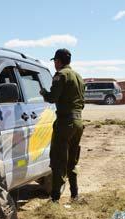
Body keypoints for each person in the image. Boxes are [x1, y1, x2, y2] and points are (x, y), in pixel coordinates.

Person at [40, 49, 85, 202]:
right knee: (72, 160)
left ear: (58, 61)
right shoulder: (78, 77)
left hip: (65, 122)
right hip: (78, 122)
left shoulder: (61, 75)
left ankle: (55, 198)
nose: (54, 64)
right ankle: (74, 194)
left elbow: (52, 98)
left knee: (59, 159)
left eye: (55, 61)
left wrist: (43, 93)